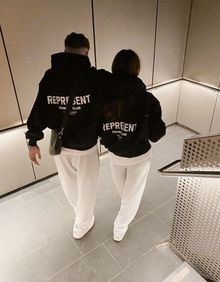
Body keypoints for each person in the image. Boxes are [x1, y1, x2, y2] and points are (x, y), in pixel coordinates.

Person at [26, 33, 144, 240]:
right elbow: (124, 84)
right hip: (86, 145)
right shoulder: (96, 78)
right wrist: (142, 90)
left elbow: (39, 110)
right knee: (87, 187)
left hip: (60, 145)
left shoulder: (50, 77)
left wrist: (32, 140)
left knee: (69, 185)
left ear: (64, 50)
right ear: (87, 51)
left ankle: (82, 218)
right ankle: (82, 222)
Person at [99, 49, 166, 241]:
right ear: (136, 69)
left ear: (114, 67)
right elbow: (157, 133)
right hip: (139, 155)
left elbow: (97, 126)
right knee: (132, 192)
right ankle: (120, 227)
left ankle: (128, 206)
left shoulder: (104, 98)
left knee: (124, 190)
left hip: (114, 154)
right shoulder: (148, 99)